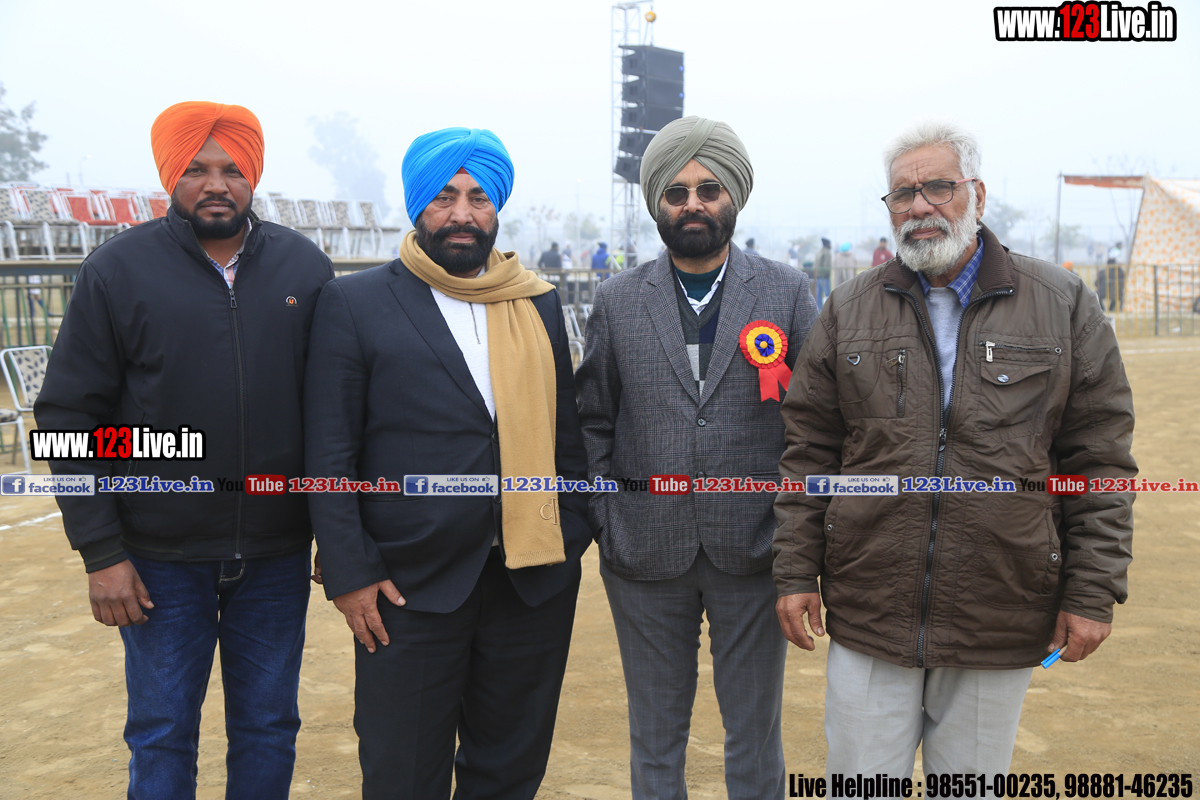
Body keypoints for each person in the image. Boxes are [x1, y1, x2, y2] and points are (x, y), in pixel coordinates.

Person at [774, 120, 1135, 779]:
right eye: (902, 194)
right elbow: (809, 454)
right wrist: (797, 573)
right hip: (871, 609)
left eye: (939, 187)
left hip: (998, 610)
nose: (919, 206)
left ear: (978, 195)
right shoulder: (848, 310)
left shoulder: (1061, 304)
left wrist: (1092, 591)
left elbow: (1099, 460)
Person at [33, 101, 333, 798]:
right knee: (163, 730)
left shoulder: (304, 267)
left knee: (268, 727)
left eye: (232, 169)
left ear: (254, 175)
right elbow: (68, 417)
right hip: (157, 560)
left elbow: (334, 412)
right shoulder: (117, 270)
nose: (216, 184)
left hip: (277, 556)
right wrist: (101, 552)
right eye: (197, 169)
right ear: (171, 174)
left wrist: (336, 531)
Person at [303, 126, 592, 800]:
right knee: (401, 773)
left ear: (497, 207)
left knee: (509, 771)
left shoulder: (537, 300)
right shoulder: (355, 303)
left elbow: (566, 437)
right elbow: (329, 451)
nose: (463, 214)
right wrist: (349, 569)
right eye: (444, 197)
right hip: (407, 588)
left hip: (531, 584)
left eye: (478, 198)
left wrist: (573, 531)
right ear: (417, 206)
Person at [577, 115, 818, 800]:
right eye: (676, 192)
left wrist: (795, 533)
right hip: (643, 555)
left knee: (755, 737)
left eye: (709, 190)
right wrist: (607, 517)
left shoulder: (786, 291)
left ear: (734, 196)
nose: (693, 204)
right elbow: (592, 419)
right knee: (655, 740)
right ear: (656, 202)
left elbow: (813, 425)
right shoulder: (618, 299)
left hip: (756, 551)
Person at [1098, 240, 1125, 311]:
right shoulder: (1121, 272)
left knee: (1097, 293)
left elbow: (1096, 283)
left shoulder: (1103, 272)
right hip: (1117, 292)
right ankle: (1110, 309)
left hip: (1104, 292)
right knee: (1116, 293)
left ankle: (1103, 309)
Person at [813, 237, 832, 310]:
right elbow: (827, 265)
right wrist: (827, 273)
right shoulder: (827, 252)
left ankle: (819, 310)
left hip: (818, 275)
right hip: (824, 276)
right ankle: (828, 310)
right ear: (828, 244)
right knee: (827, 294)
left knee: (818, 294)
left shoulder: (819, 252)